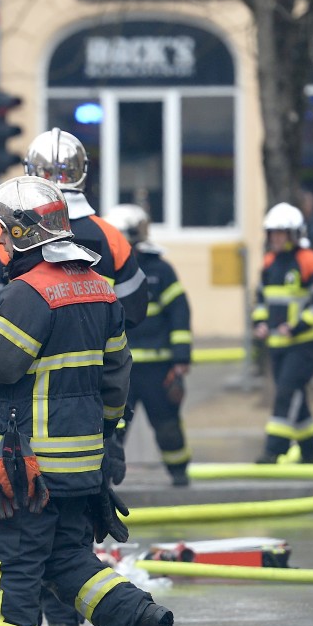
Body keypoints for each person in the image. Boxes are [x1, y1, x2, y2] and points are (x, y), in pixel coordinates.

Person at [0, 176, 173, 626]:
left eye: (2, 232)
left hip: (29, 468)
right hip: (82, 462)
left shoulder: (27, 293)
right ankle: (140, 619)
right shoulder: (98, 286)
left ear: (22, 232)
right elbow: (117, 376)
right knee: (65, 560)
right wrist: (107, 437)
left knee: (12, 564)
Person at [0, 127, 148, 329]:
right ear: (82, 171)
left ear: (29, 171)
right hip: (95, 354)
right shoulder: (111, 236)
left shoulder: (10, 232)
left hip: (27, 354)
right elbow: (134, 309)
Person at [103, 204, 194, 486]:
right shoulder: (102, 271)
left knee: (167, 424)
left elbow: (180, 313)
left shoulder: (159, 271)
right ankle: (102, 482)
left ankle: (180, 478)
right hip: (120, 368)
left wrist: (180, 359)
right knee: (111, 428)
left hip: (157, 367)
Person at [251, 202, 313, 464]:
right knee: (296, 395)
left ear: (294, 234)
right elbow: (261, 300)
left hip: (304, 345)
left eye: (280, 233)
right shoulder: (269, 264)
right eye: (272, 233)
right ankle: (310, 451)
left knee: (286, 392)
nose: (275, 238)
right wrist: (260, 323)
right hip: (277, 344)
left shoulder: (312, 263)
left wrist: (298, 326)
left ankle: (274, 449)